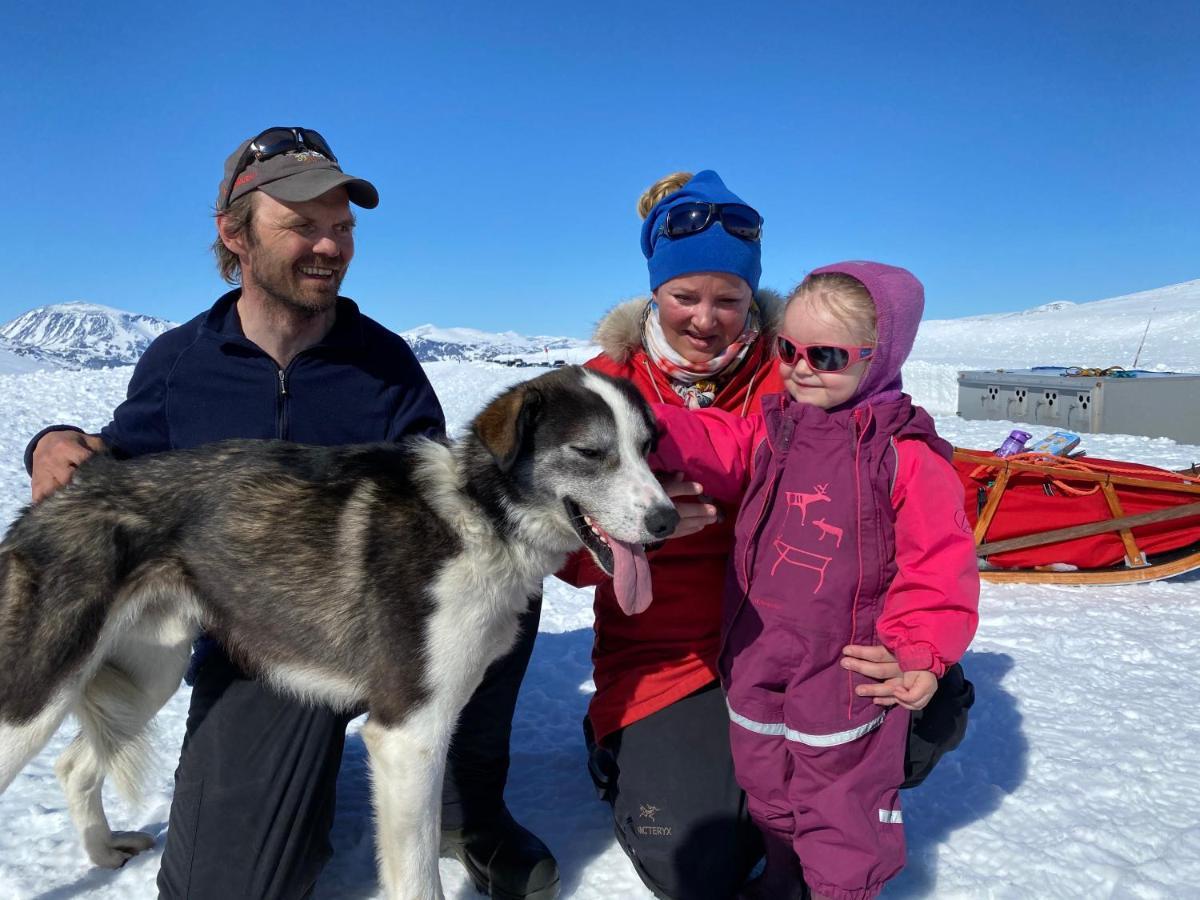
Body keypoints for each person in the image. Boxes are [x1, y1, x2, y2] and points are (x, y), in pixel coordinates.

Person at [25, 127, 559, 900]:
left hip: (380, 629)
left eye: (342, 227)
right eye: (302, 223)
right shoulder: (180, 364)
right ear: (234, 233)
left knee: (497, 574)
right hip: (257, 648)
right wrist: (48, 442)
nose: (328, 245)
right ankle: (294, 790)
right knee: (228, 885)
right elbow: (127, 472)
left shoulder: (383, 364)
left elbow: (447, 514)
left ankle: (463, 805)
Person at [558, 171, 975, 900]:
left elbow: (930, 548)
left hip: (803, 641)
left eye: (730, 299)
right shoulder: (605, 390)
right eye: (685, 296)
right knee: (703, 863)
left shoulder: (797, 383)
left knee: (907, 722)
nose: (706, 318)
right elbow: (564, 547)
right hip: (674, 653)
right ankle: (640, 756)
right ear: (653, 291)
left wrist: (923, 648)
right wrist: (632, 503)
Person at [650, 261, 982, 900]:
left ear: (878, 357)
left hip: (846, 668)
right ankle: (783, 876)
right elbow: (714, 442)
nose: (801, 368)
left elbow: (939, 567)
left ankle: (836, 890)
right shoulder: (774, 428)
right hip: (759, 650)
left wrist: (919, 650)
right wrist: (642, 423)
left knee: (840, 802)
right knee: (765, 781)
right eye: (788, 350)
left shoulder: (904, 456)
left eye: (825, 355)